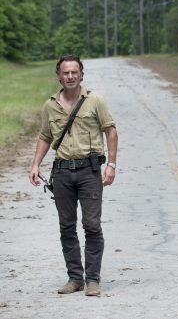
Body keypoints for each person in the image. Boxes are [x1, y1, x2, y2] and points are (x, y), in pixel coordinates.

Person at [28, 55, 118, 296]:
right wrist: (35, 164)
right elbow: (45, 136)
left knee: (92, 225)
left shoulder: (95, 100)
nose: (70, 76)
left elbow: (110, 130)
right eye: (65, 73)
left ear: (81, 75)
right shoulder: (50, 106)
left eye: (74, 72)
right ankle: (75, 278)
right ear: (59, 76)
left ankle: (93, 279)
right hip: (62, 172)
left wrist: (111, 165)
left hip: (90, 171)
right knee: (66, 226)